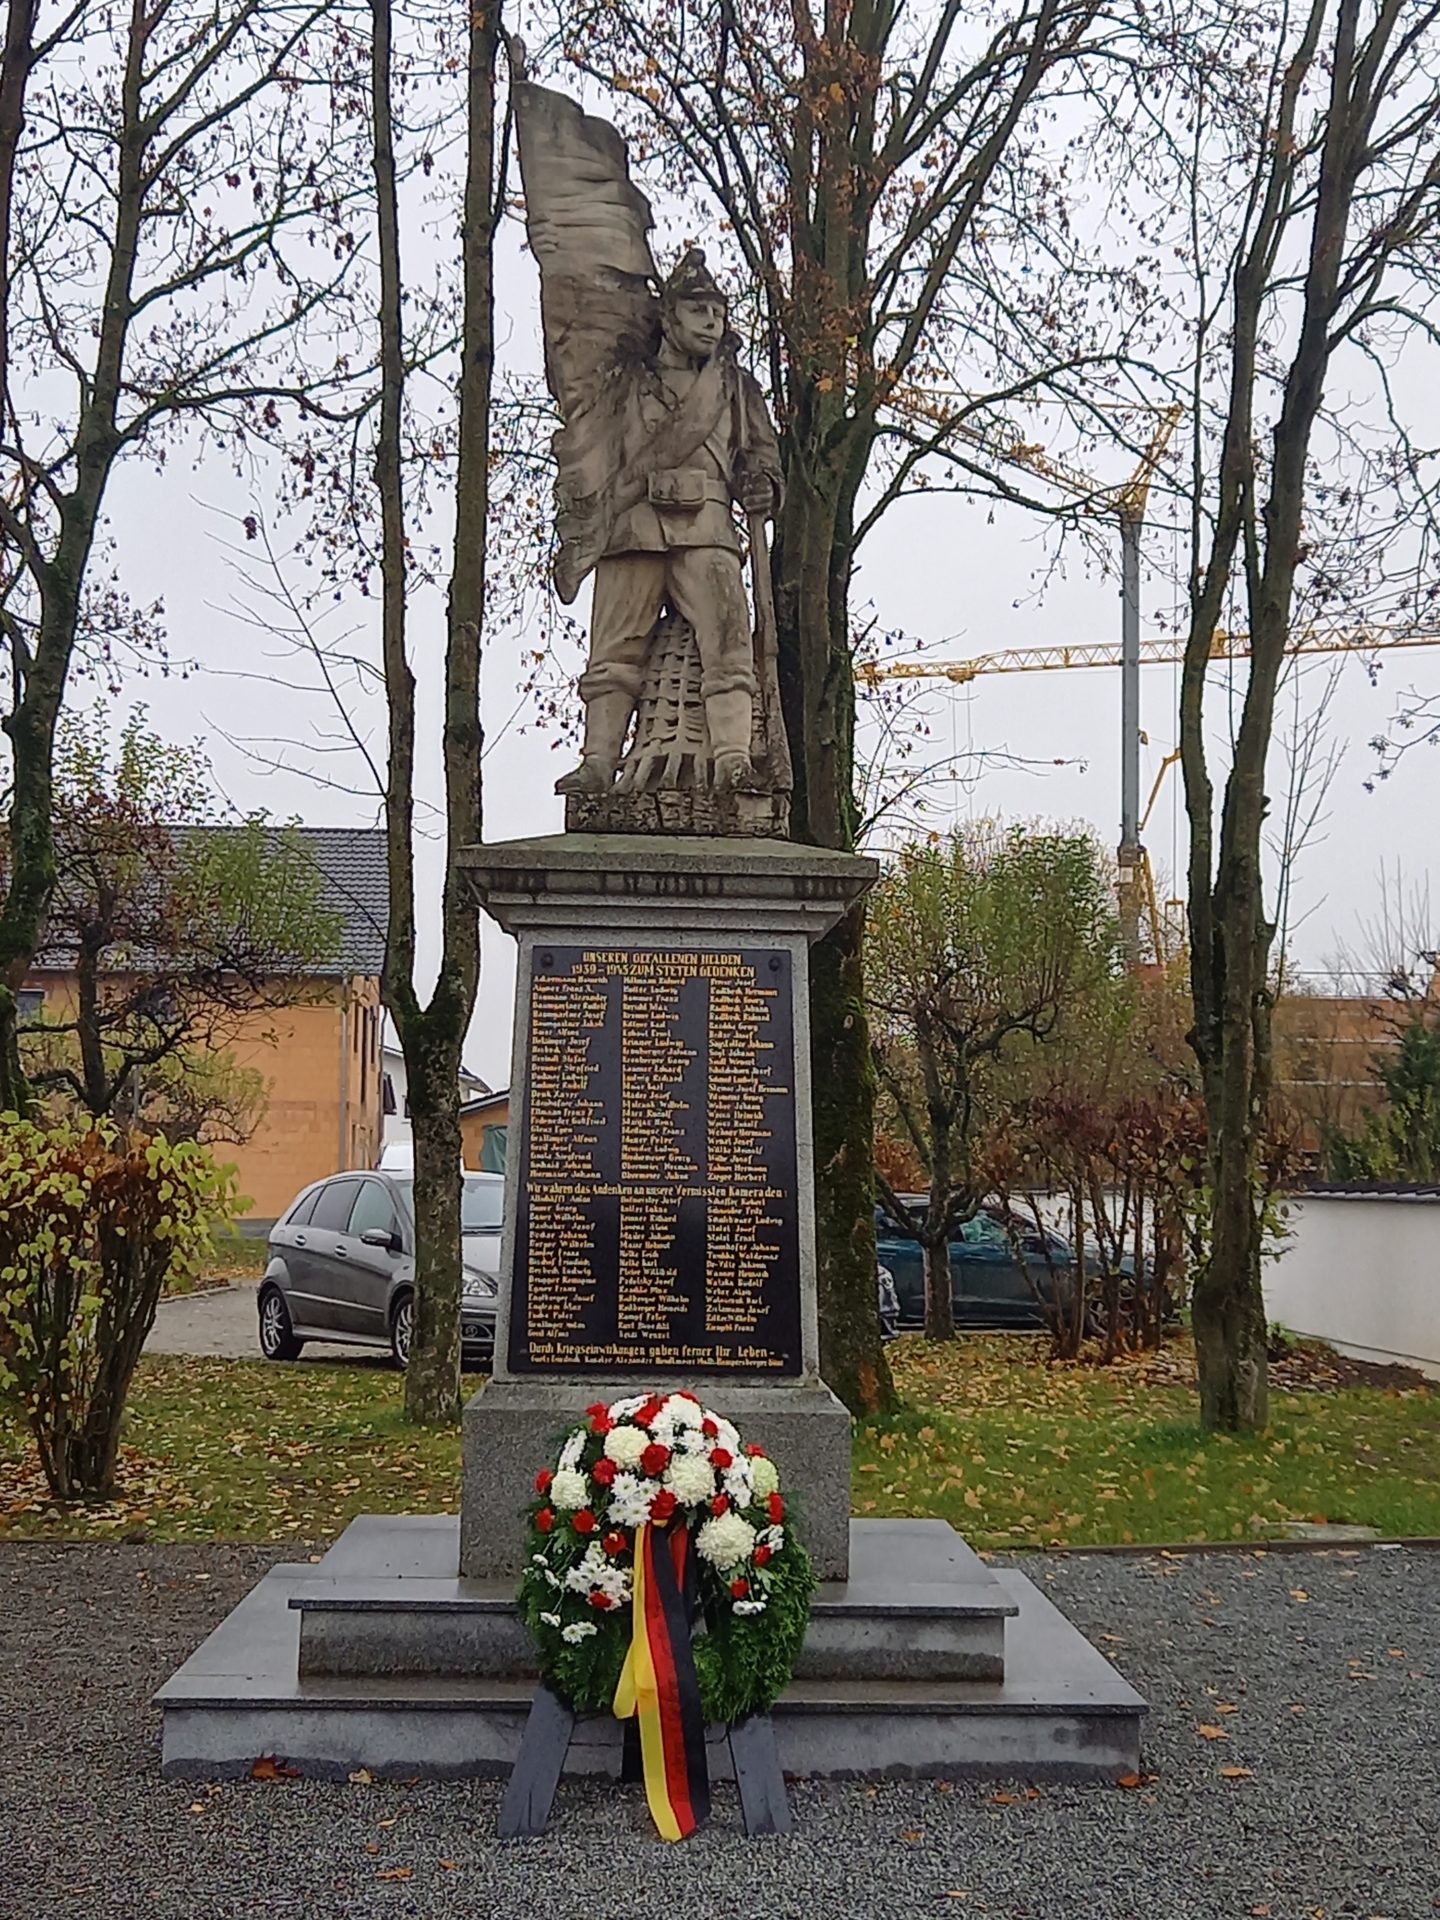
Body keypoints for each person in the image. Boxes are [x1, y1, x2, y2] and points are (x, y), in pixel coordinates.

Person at [556, 249, 783, 796]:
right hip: (633, 525)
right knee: (613, 651)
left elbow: (765, 459)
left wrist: (762, 484)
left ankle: (732, 759)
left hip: (707, 526)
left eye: (718, 314)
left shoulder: (735, 388)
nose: (712, 323)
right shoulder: (622, 383)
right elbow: (591, 452)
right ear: (668, 315)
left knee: (728, 647)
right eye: (699, 311)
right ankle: (598, 762)